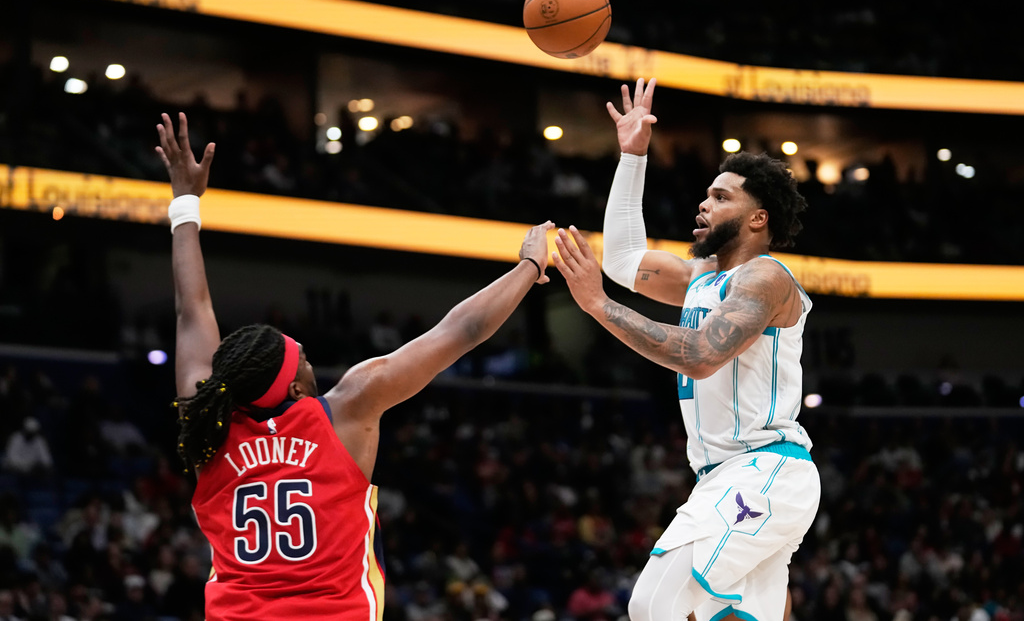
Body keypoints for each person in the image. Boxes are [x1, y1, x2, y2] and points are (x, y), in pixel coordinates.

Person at [155, 112, 554, 620]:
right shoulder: (345, 410)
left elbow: (192, 311)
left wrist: (184, 202)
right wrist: (529, 266)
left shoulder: (207, 427)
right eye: (302, 356)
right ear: (297, 387)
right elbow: (460, 331)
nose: (308, 357)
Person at [550, 79, 819, 621]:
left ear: (757, 217)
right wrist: (632, 156)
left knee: (655, 605)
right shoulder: (702, 278)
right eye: (707, 193)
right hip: (720, 477)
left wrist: (600, 308)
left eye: (721, 197)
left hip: (764, 469)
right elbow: (624, 259)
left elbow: (699, 354)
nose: (704, 202)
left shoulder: (765, 278)